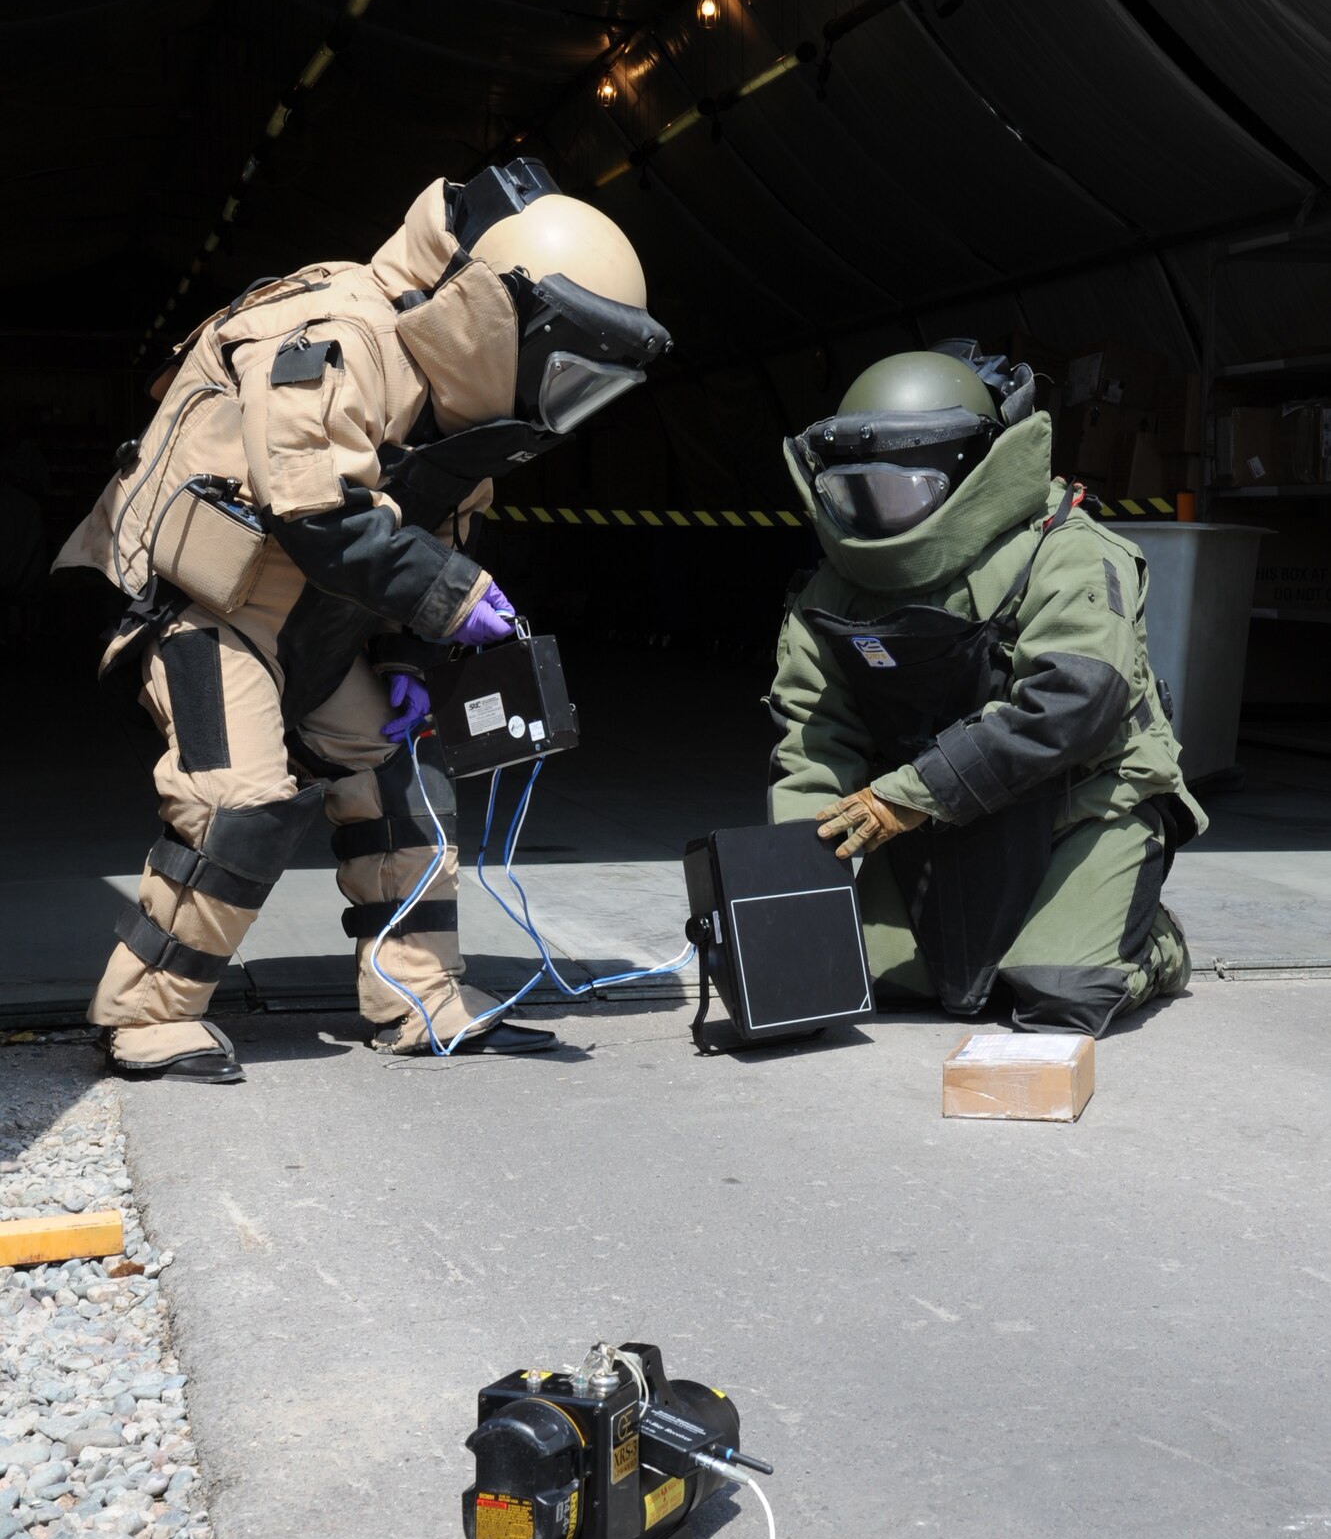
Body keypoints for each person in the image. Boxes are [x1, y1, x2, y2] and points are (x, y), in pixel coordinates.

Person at [55, 160, 670, 1082]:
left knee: (402, 787)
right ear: (506, 317)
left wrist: (410, 657)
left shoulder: (450, 411)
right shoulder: (335, 333)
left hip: (320, 624)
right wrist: (455, 603)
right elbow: (315, 513)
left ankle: (420, 1000)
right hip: (211, 614)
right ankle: (144, 1017)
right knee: (238, 800)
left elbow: (402, 541)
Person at [767, 340, 1206, 1034]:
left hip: (1075, 807)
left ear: (971, 471)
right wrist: (784, 896)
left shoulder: (1067, 551)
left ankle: (1154, 941)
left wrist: (908, 794)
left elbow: (1074, 704)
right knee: (865, 983)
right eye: (853, 492)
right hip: (921, 827)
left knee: (1060, 991)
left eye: (901, 490)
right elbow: (814, 737)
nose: (875, 514)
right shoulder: (834, 589)